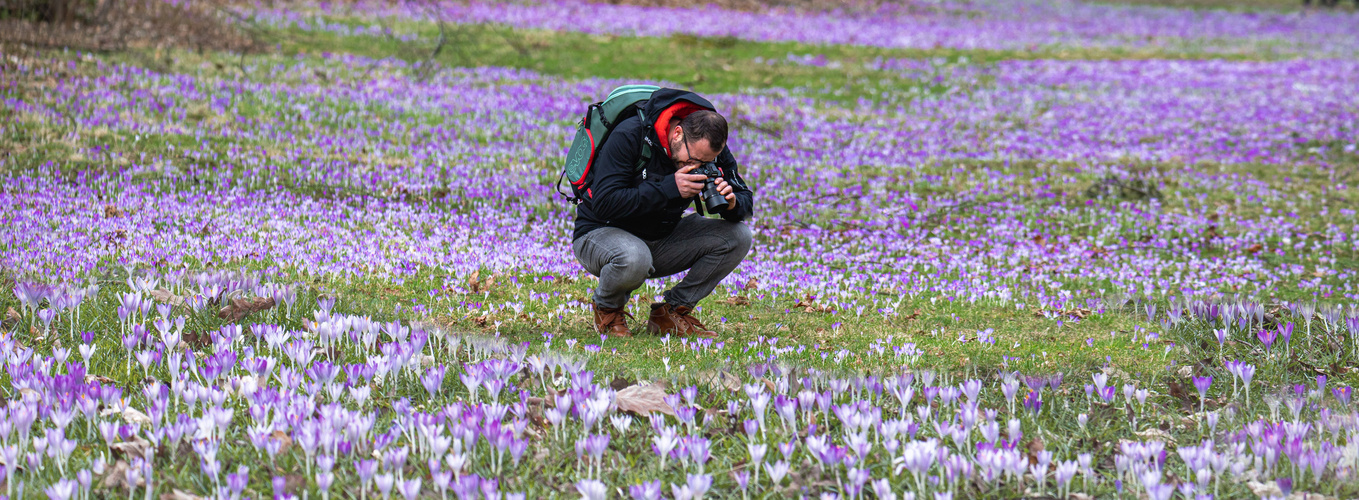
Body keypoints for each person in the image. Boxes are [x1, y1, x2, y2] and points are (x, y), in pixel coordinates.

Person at [571, 89, 754, 338]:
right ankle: (608, 308)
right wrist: (670, 188)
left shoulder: (707, 148)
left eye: (705, 162)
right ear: (677, 133)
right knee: (635, 257)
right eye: (694, 160)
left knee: (739, 236)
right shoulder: (630, 134)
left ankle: (671, 312)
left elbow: (745, 197)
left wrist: (732, 202)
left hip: (661, 237)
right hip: (600, 234)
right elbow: (605, 203)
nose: (697, 167)